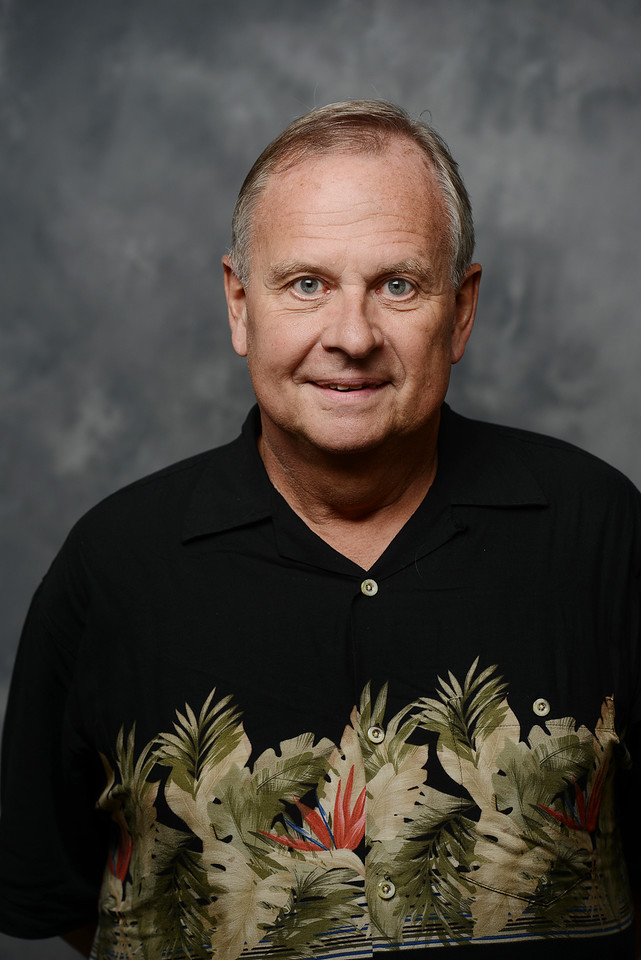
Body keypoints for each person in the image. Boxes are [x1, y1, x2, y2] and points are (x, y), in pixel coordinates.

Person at [1, 100, 639, 959]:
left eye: (397, 285)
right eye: (307, 284)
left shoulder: (599, 529)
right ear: (238, 304)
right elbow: (65, 892)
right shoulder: (113, 568)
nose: (350, 336)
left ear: (461, 311)